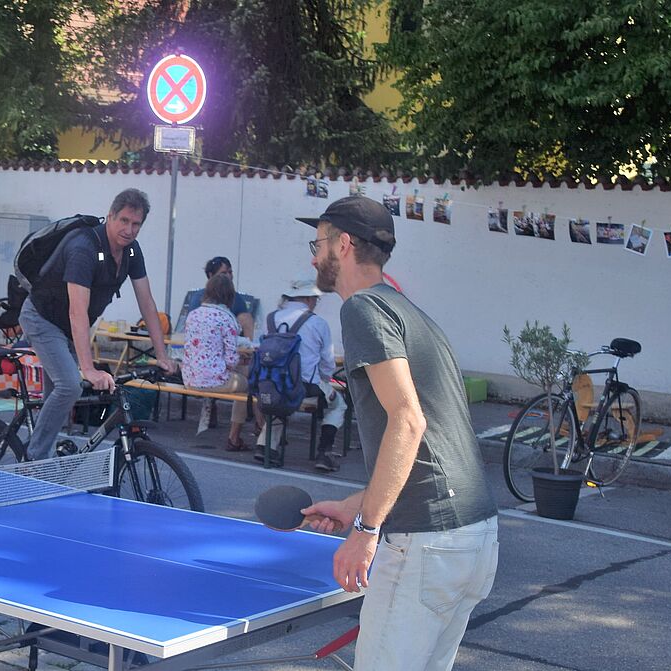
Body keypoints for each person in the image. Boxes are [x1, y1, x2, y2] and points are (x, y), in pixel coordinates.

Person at [297, 196, 498, 671]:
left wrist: (366, 532)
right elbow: (432, 446)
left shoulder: (362, 310)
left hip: (426, 543)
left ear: (343, 245)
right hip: (473, 537)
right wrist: (356, 507)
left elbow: (408, 421)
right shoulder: (409, 313)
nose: (312, 256)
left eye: (318, 242)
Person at [19, 188, 178, 461]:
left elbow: (147, 303)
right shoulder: (84, 248)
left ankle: (41, 455)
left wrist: (162, 355)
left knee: (57, 396)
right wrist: (89, 369)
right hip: (42, 319)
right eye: (124, 221)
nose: (129, 230)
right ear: (110, 217)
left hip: (68, 327)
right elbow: (77, 312)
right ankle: (33, 462)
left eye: (136, 224)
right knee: (70, 385)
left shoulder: (130, 252)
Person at [254, 278, 349, 471]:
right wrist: (325, 380)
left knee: (280, 398)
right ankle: (324, 452)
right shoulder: (317, 323)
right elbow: (327, 364)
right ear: (307, 298)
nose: (315, 303)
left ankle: (266, 446)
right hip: (305, 386)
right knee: (339, 404)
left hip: (271, 384)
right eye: (315, 299)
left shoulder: (271, 318)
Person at [181, 273, 257, 451]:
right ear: (229, 295)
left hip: (189, 378)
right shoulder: (227, 318)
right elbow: (230, 360)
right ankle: (235, 437)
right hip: (214, 381)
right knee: (248, 384)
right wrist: (242, 359)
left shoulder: (193, 315)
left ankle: (220, 422)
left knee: (239, 373)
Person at [179, 256, 257, 338]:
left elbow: (245, 320)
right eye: (223, 273)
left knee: (246, 317)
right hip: (204, 340)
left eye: (230, 272)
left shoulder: (236, 297)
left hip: (230, 339)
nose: (228, 276)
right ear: (211, 275)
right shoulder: (199, 297)